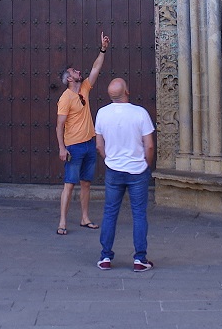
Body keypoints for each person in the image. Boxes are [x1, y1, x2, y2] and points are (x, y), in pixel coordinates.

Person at [94, 76, 155, 272]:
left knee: (110, 212)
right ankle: (140, 259)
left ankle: (105, 257)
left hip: (113, 170)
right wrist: (146, 164)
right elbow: (149, 145)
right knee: (139, 214)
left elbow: (99, 145)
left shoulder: (102, 113)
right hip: (137, 170)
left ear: (110, 95)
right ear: (126, 91)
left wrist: (109, 160)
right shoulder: (140, 113)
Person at [56, 32, 110, 235]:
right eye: (74, 71)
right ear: (69, 78)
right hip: (74, 147)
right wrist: (62, 148)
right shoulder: (65, 98)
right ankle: (62, 222)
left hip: (89, 144)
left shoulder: (84, 89)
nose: (79, 71)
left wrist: (102, 49)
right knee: (69, 184)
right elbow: (59, 125)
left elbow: (96, 68)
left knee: (86, 183)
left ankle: (85, 218)